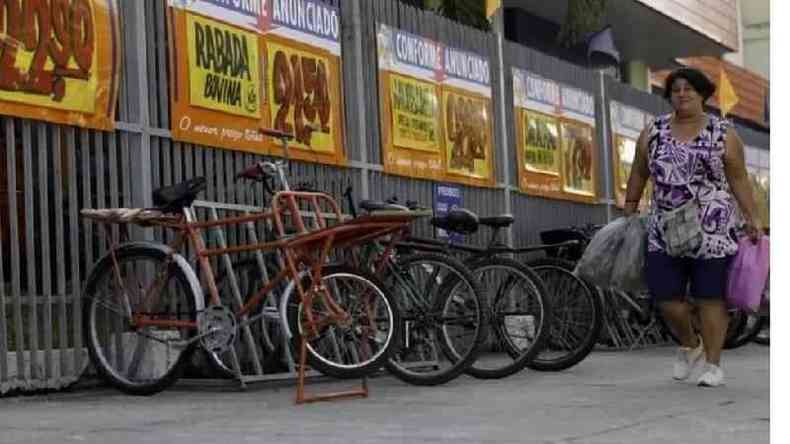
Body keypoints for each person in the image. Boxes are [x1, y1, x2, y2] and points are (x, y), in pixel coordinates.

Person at [623, 67, 763, 387]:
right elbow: (639, 172)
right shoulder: (653, 132)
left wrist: (752, 217)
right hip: (665, 226)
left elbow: (738, 179)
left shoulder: (723, 133)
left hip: (712, 228)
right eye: (676, 89)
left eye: (689, 89)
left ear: (703, 94)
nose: (682, 94)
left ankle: (713, 365)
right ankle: (690, 344)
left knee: (710, 297)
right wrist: (630, 206)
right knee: (664, 295)